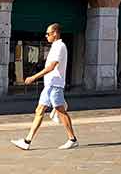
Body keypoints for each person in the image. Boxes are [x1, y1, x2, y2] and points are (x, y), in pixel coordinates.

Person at [12, 23, 78, 151]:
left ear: (55, 33)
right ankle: (27, 141)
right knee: (39, 110)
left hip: (55, 85)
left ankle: (72, 139)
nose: (46, 35)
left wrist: (34, 77)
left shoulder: (60, 46)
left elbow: (51, 67)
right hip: (49, 85)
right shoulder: (54, 46)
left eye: (48, 33)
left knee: (60, 111)